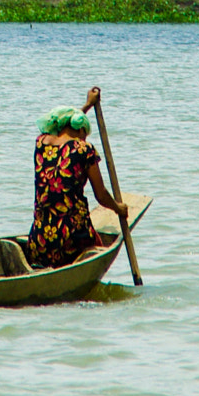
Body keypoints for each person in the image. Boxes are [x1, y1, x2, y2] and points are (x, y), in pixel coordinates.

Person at [26, 85, 129, 269]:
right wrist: (118, 209)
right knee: (95, 243)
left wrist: (87, 106)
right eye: (84, 134)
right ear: (81, 129)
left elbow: (66, 124)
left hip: (39, 240)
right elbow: (102, 195)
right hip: (72, 240)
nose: (85, 139)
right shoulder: (84, 150)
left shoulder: (41, 143)